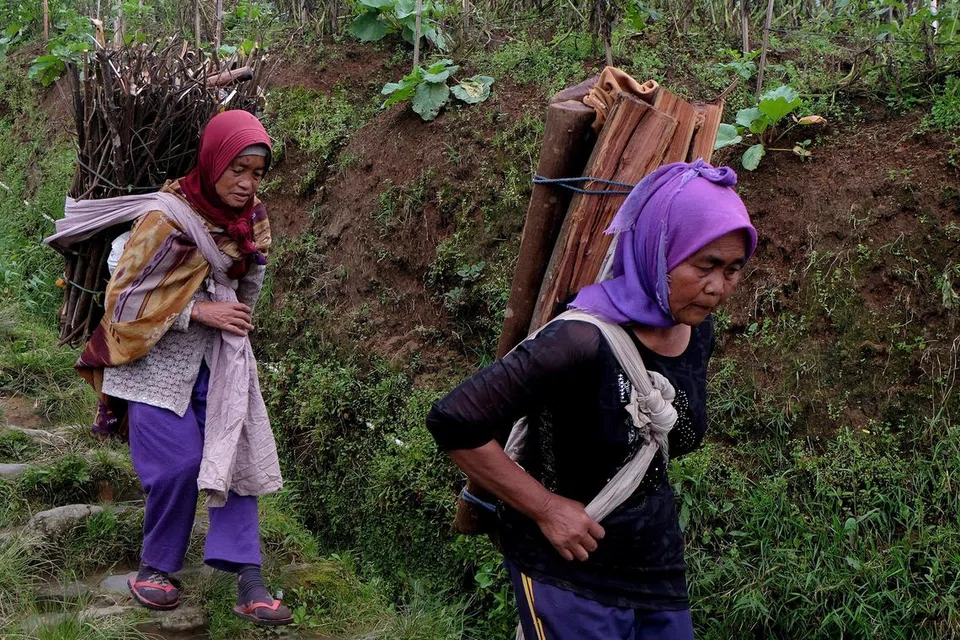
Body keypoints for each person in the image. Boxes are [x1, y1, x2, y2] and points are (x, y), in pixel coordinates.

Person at [426, 160, 757, 639]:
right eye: (704, 265)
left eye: (732, 270)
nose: (717, 287)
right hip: (570, 575)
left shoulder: (696, 331)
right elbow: (454, 421)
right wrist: (546, 508)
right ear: (658, 250)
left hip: (657, 571)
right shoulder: (579, 340)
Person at [57, 110, 292, 626]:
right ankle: (157, 567)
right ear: (213, 162)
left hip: (221, 359)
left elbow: (249, 281)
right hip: (154, 366)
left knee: (235, 454)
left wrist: (231, 316)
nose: (247, 182)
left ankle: (248, 580)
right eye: (238, 169)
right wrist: (198, 310)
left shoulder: (253, 218)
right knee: (179, 465)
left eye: (256, 172)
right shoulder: (165, 218)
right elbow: (122, 300)